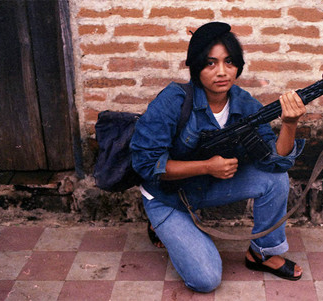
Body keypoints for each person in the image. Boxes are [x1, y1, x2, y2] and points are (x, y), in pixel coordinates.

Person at [130, 21, 306, 293]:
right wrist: (206, 166)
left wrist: (290, 124)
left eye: (229, 62)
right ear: (196, 67)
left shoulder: (244, 103)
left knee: (276, 178)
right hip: (166, 196)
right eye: (210, 64)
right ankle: (160, 225)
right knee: (206, 280)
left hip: (207, 188)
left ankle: (262, 253)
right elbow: (147, 165)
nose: (222, 72)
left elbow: (276, 160)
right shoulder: (173, 100)